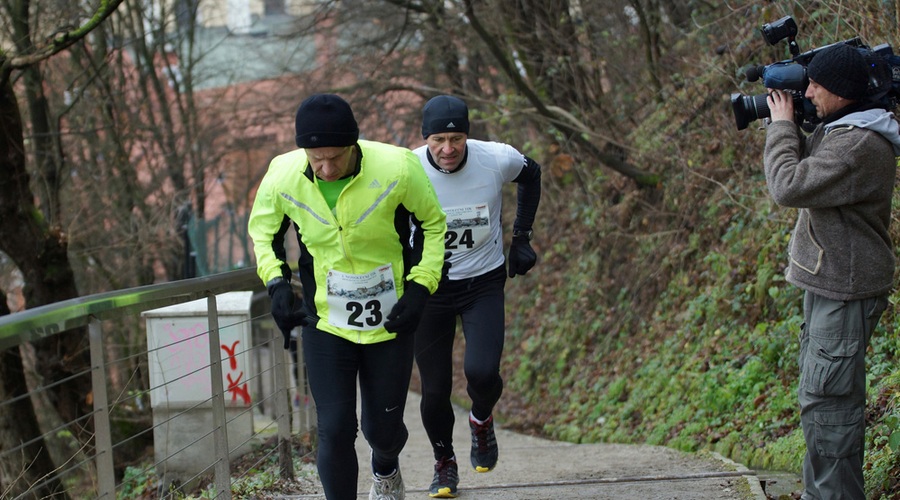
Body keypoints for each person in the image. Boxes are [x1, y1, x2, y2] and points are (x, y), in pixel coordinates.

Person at [248, 93, 447, 500]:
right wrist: (277, 283)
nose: (325, 167)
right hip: (326, 319)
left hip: (391, 318)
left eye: (334, 157)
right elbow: (262, 233)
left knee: (382, 431)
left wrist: (421, 287)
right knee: (335, 427)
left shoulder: (397, 167)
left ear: (353, 145)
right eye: (315, 158)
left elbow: (433, 224)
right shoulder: (283, 175)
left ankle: (386, 467)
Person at [763, 43, 900, 499]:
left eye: (817, 84)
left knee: (831, 410)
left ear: (843, 92)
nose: (809, 90)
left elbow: (788, 184)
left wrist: (783, 127)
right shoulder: (844, 128)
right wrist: (788, 125)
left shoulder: (858, 143)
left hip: (845, 285)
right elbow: (806, 169)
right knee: (821, 403)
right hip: (834, 280)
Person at [411, 95, 541, 498]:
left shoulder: (495, 158)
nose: (448, 149)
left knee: (482, 373)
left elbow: (532, 174)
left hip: (482, 283)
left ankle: (482, 420)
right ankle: (444, 462)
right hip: (430, 288)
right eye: (438, 140)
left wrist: (521, 237)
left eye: (456, 138)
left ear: (467, 135)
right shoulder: (408, 168)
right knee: (434, 390)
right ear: (425, 139)